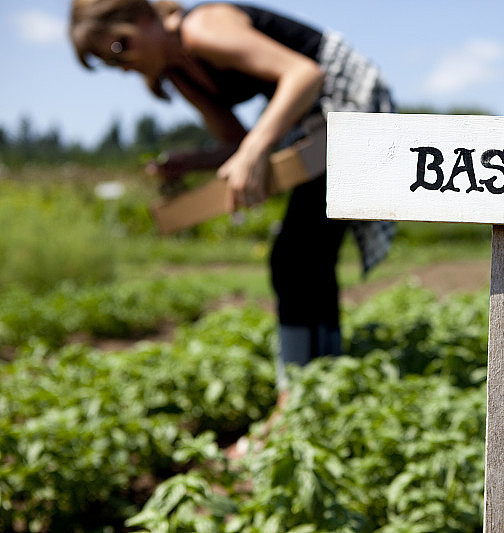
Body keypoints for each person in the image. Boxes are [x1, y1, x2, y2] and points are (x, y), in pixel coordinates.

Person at [69, 0, 396, 395]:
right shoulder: (181, 75)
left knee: (295, 257)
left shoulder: (202, 28)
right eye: (111, 62)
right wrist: (189, 162)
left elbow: (304, 74)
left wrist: (255, 149)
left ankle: (297, 392)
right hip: (310, 122)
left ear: (143, 17)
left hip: (346, 101)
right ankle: (322, 378)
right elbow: (236, 143)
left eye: (121, 46)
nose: (123, 65)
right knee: (306, 256)